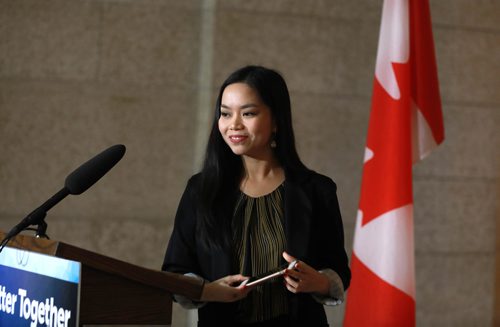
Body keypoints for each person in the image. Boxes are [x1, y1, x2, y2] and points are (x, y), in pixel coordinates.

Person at [162, 65, 350, 327]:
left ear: (276, 121)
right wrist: (209, 290)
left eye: (248, 113)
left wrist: (318, 282)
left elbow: (338, 270)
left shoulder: (316, 189)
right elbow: (175, 271)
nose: (233, 124)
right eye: (225, 114)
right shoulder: (200, 189)